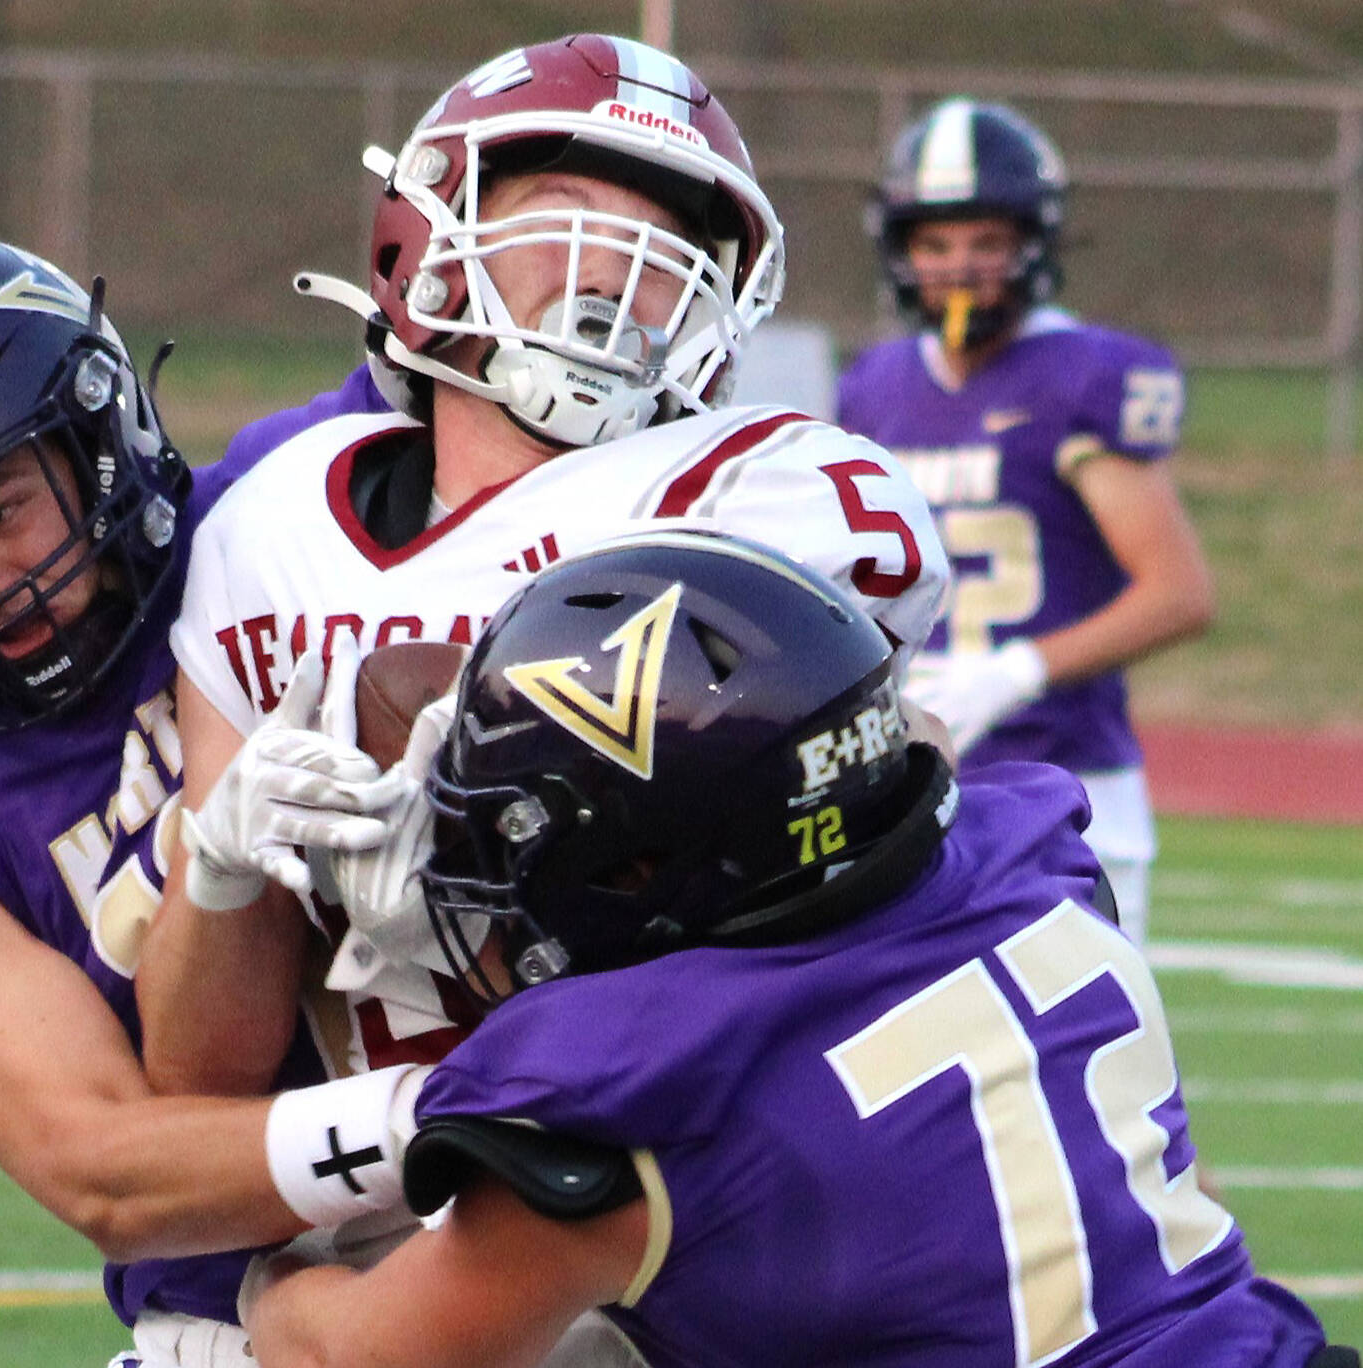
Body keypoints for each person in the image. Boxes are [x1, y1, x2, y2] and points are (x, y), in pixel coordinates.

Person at [240, 529, 1337, 1368]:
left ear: (648, 861)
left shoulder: (638, 1091)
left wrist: (257, 1294)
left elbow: (352, 1352)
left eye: (522, 829)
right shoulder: (1033, 865)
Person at [137, 31, 949, 1111]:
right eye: (566, 210)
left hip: (688, 1174)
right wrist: (227, 870)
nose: (616, 265)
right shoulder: (271, 527)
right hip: (398, 1199)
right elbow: (200, 1075)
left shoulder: (756, 493)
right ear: (429, 235)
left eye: (663, 241)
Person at [0, 229, 408, 1367]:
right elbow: (107, 1168)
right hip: (249, 1313)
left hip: (554, 1214)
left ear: (95, 442)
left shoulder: (296, 501)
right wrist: (450, 1123)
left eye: (2, 512)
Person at [836, 97, 1216, 946]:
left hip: (1064, 782)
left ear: (1032, 244)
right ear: (900, 250)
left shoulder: (1083, 375)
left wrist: (1015, 671)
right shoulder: (874, 386)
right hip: (911, 776)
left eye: (985, 243)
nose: (960, 267)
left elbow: (1179, 594)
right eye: (935, 244)